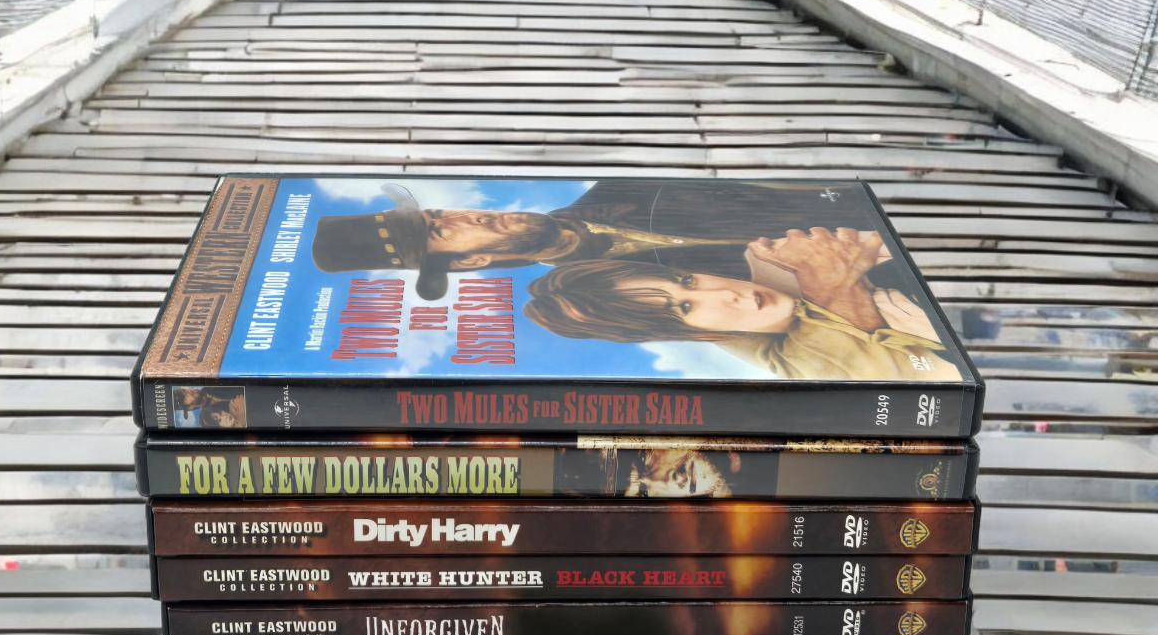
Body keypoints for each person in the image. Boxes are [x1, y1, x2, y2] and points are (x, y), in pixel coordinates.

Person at [311, 179, 908, 300]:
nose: (472, 215)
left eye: (441, 210)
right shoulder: (601, 296)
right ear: (474, 261)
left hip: (880, 227)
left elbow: (806, 195)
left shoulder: (619, 188)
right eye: (444, 230)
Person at [524, 228, 963, 382]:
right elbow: (945, 380)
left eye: (686, 280)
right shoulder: (806, 362)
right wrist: (837, 291)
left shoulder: (779, 254)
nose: (723, 294)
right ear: (686, 333)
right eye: (685, 308)